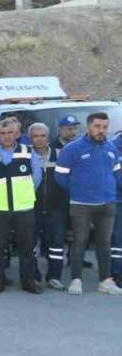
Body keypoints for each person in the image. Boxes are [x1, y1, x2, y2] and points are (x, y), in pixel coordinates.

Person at [54, 112, 122, 295]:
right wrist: (77, 190)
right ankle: (76, 280)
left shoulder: (111, 148)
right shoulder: (72, 148)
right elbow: (60, 175)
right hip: (81, 204)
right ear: (88, 126)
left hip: (107, 204)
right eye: (97, 126)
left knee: (104, 244)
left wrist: (110, 191)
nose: (101, 131)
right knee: (79, 242)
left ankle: (105, 281)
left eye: (105, 127)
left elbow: (116, 174)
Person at [0, 118, 43, 294]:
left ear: (17, 133)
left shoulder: (29, 152)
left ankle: (28, 281)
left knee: (26, 247)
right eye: (3, 133)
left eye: (10, 133)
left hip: (23, 208)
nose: (6, 137)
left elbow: (37, 178)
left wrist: (24, 194)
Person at [29, 122, 68, 290]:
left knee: (57, 245)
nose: (39, 139)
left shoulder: (60, 154)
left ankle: (54, 277)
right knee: (30, 245)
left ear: (48, 136)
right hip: (32, 208)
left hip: (56, 208)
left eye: (42, 135)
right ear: (30, 138)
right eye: (35, 136)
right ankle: (34, 276)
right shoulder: (24, 155)